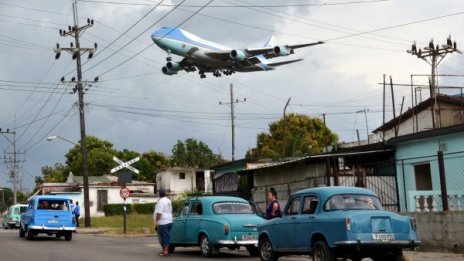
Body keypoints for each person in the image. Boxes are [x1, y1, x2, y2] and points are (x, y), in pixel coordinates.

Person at [154, 188, 173, 256]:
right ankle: (165, 250)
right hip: (170, 220)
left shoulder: (161, 201)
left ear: (159, 194)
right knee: (166, 236)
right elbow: (171, 210)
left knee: (163, 237)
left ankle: (165, 251)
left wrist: (156, 222)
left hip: (163, 222)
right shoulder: (168, 200)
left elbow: (159, 213)